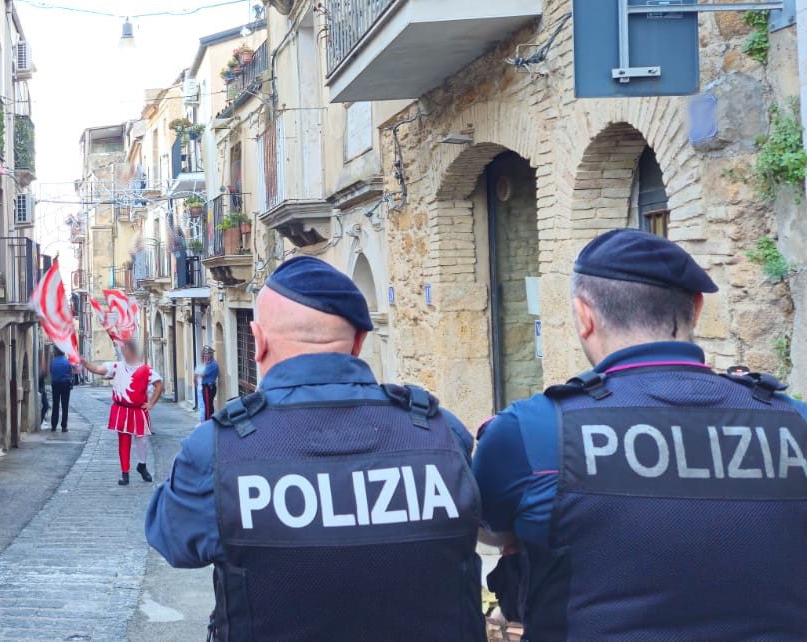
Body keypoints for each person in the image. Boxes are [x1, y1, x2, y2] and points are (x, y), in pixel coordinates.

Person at [472, 229, 807, 640]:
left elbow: (490, 530)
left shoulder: (532, 431)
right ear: (696, 309)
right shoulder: (794, 422)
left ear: (584, 315)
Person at [146, 256, 483, 642]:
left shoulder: (217, 449)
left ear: (257, 341)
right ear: (359, 341)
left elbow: (173, 541)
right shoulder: (442, 432)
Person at [81, 339, 162, 485]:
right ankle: (125, 473)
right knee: (123, 441)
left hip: (138, 410)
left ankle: (142, 466)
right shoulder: (116, 367)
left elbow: (159, 384)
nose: (124, 352)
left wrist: (151, 403)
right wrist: (85, 363)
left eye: (127, 349)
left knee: (142, 440)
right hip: (122, 410)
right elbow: (98, 370)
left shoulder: (145, 370)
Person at [47, 349, 76, 433]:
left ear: (56, 352)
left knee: (55, 405)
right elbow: (72, 371)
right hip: (65, 385)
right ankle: (64, 426)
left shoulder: (53, 362)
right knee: (65, 406)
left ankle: (53, 426)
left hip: (55, 385)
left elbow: (51, 371)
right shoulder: (67, 361)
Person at [194, 346, 220, 420]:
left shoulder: (212, 364)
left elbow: (202, 374)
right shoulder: (208, 363)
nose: (205, 356)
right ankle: (208, 420)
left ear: (211, 354)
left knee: (208, 406)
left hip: (208, 387)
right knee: (207, 405)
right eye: (204, 354)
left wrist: (197, 373)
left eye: (207, 354)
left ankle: (208, 421)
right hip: (207, 386)